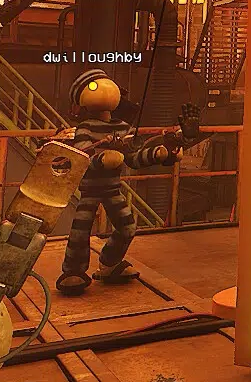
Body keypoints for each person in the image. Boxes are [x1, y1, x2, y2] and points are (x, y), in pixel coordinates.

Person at [57, 69, 203, 294]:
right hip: (90, 190)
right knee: (80, 230)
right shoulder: (85, 129)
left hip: (112, 189)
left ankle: (110, 263)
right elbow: (82, 156)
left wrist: (164, 152)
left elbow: (135, 158)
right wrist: (104, 158)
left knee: (127, 226)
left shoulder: (123, 128)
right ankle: (73, 271)